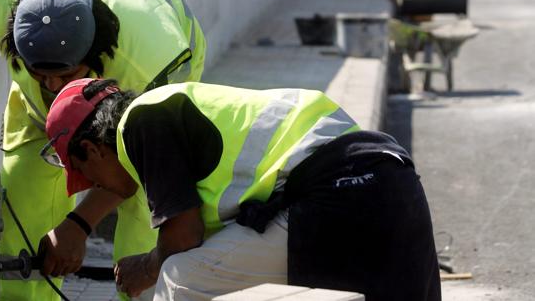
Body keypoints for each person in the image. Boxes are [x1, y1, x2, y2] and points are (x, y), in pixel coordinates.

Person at [42, 78, 441, 301]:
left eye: (87, 176)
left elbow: (183, 237)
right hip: (390, 179)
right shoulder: (178, 107)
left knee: (181, 276)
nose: (97, 189)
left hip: (341, 194)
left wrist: (144, 267)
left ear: (93, 149)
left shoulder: (141, 123)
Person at [0, 0, 205, 300]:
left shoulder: (147, 65)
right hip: (37, 108)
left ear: (94, 53)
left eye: (67, 76)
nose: (53, 87)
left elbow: (135, 168)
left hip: (150, 71)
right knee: (22, 200)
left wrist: (80, 224)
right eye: (40, 75)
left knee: (146, 215)